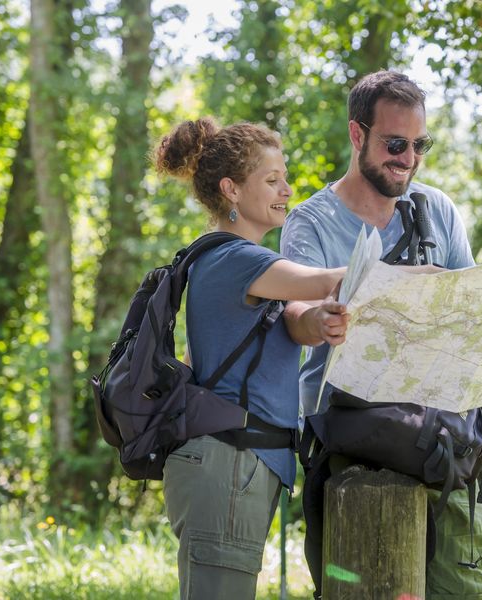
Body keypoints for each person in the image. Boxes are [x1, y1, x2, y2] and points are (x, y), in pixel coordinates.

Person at [280, 71, 482, 599]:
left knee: (463, 590)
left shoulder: (437, 210)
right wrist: (321, 319)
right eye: (394, 144)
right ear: (356, 134)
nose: (408, 159)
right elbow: (295, 313)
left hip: (446, 444)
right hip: (356, 450)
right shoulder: (312, 222)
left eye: (419, 146)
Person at [153, 117, 350, 600]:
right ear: (232, 190)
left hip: (237, 466)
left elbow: (298, 317)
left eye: (284, 177)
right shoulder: (236, 260)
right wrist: (422, 278)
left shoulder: (232, 260)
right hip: (229, 467)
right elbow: (328, 280)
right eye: (271, 180)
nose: (287, 189)